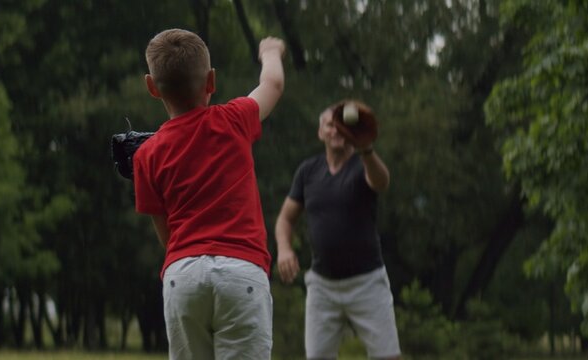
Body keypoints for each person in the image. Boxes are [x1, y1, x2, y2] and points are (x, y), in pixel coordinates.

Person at [132, 28, 285, 360]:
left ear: (151, 87)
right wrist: (270, 53)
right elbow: (272, 85)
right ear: (211, 81)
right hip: (241, 272)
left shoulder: (146, 154)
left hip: (183, 276)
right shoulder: (233, 120)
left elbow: (167, 236)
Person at [275, 106, 401, 360]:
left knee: (388, 356)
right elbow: (285, 219)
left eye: (342, 125)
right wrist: (285, 249)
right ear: (320, 132)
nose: (336, 130)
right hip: (323, 286)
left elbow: (381, 181)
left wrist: (366, 148)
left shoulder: (362, 165)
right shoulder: (308, 171)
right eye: (330, 125)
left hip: (367, 282)